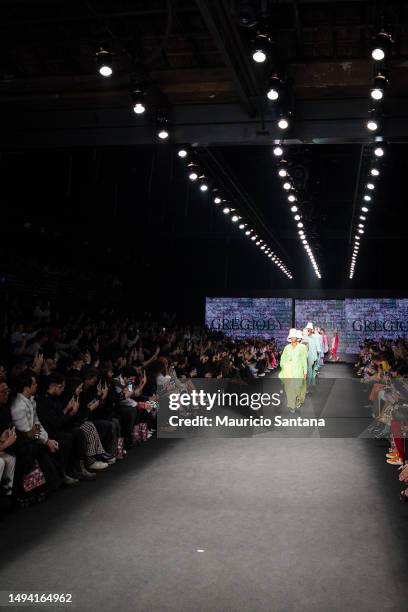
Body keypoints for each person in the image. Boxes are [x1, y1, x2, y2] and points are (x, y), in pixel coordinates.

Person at [279, 329, 307, 412]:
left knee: (297, 388)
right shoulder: (287, 348)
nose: (292, 338)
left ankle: (298, 399)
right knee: (289, 388)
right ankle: (292, 405)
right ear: (290, 338)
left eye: (294, 337)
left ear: (297, 338)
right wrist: (284, 365)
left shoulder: (302, 347)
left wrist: (305, 371)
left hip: (298, 370)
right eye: (291, 337)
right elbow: (282, 359)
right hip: (288, 371)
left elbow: (304, 360)